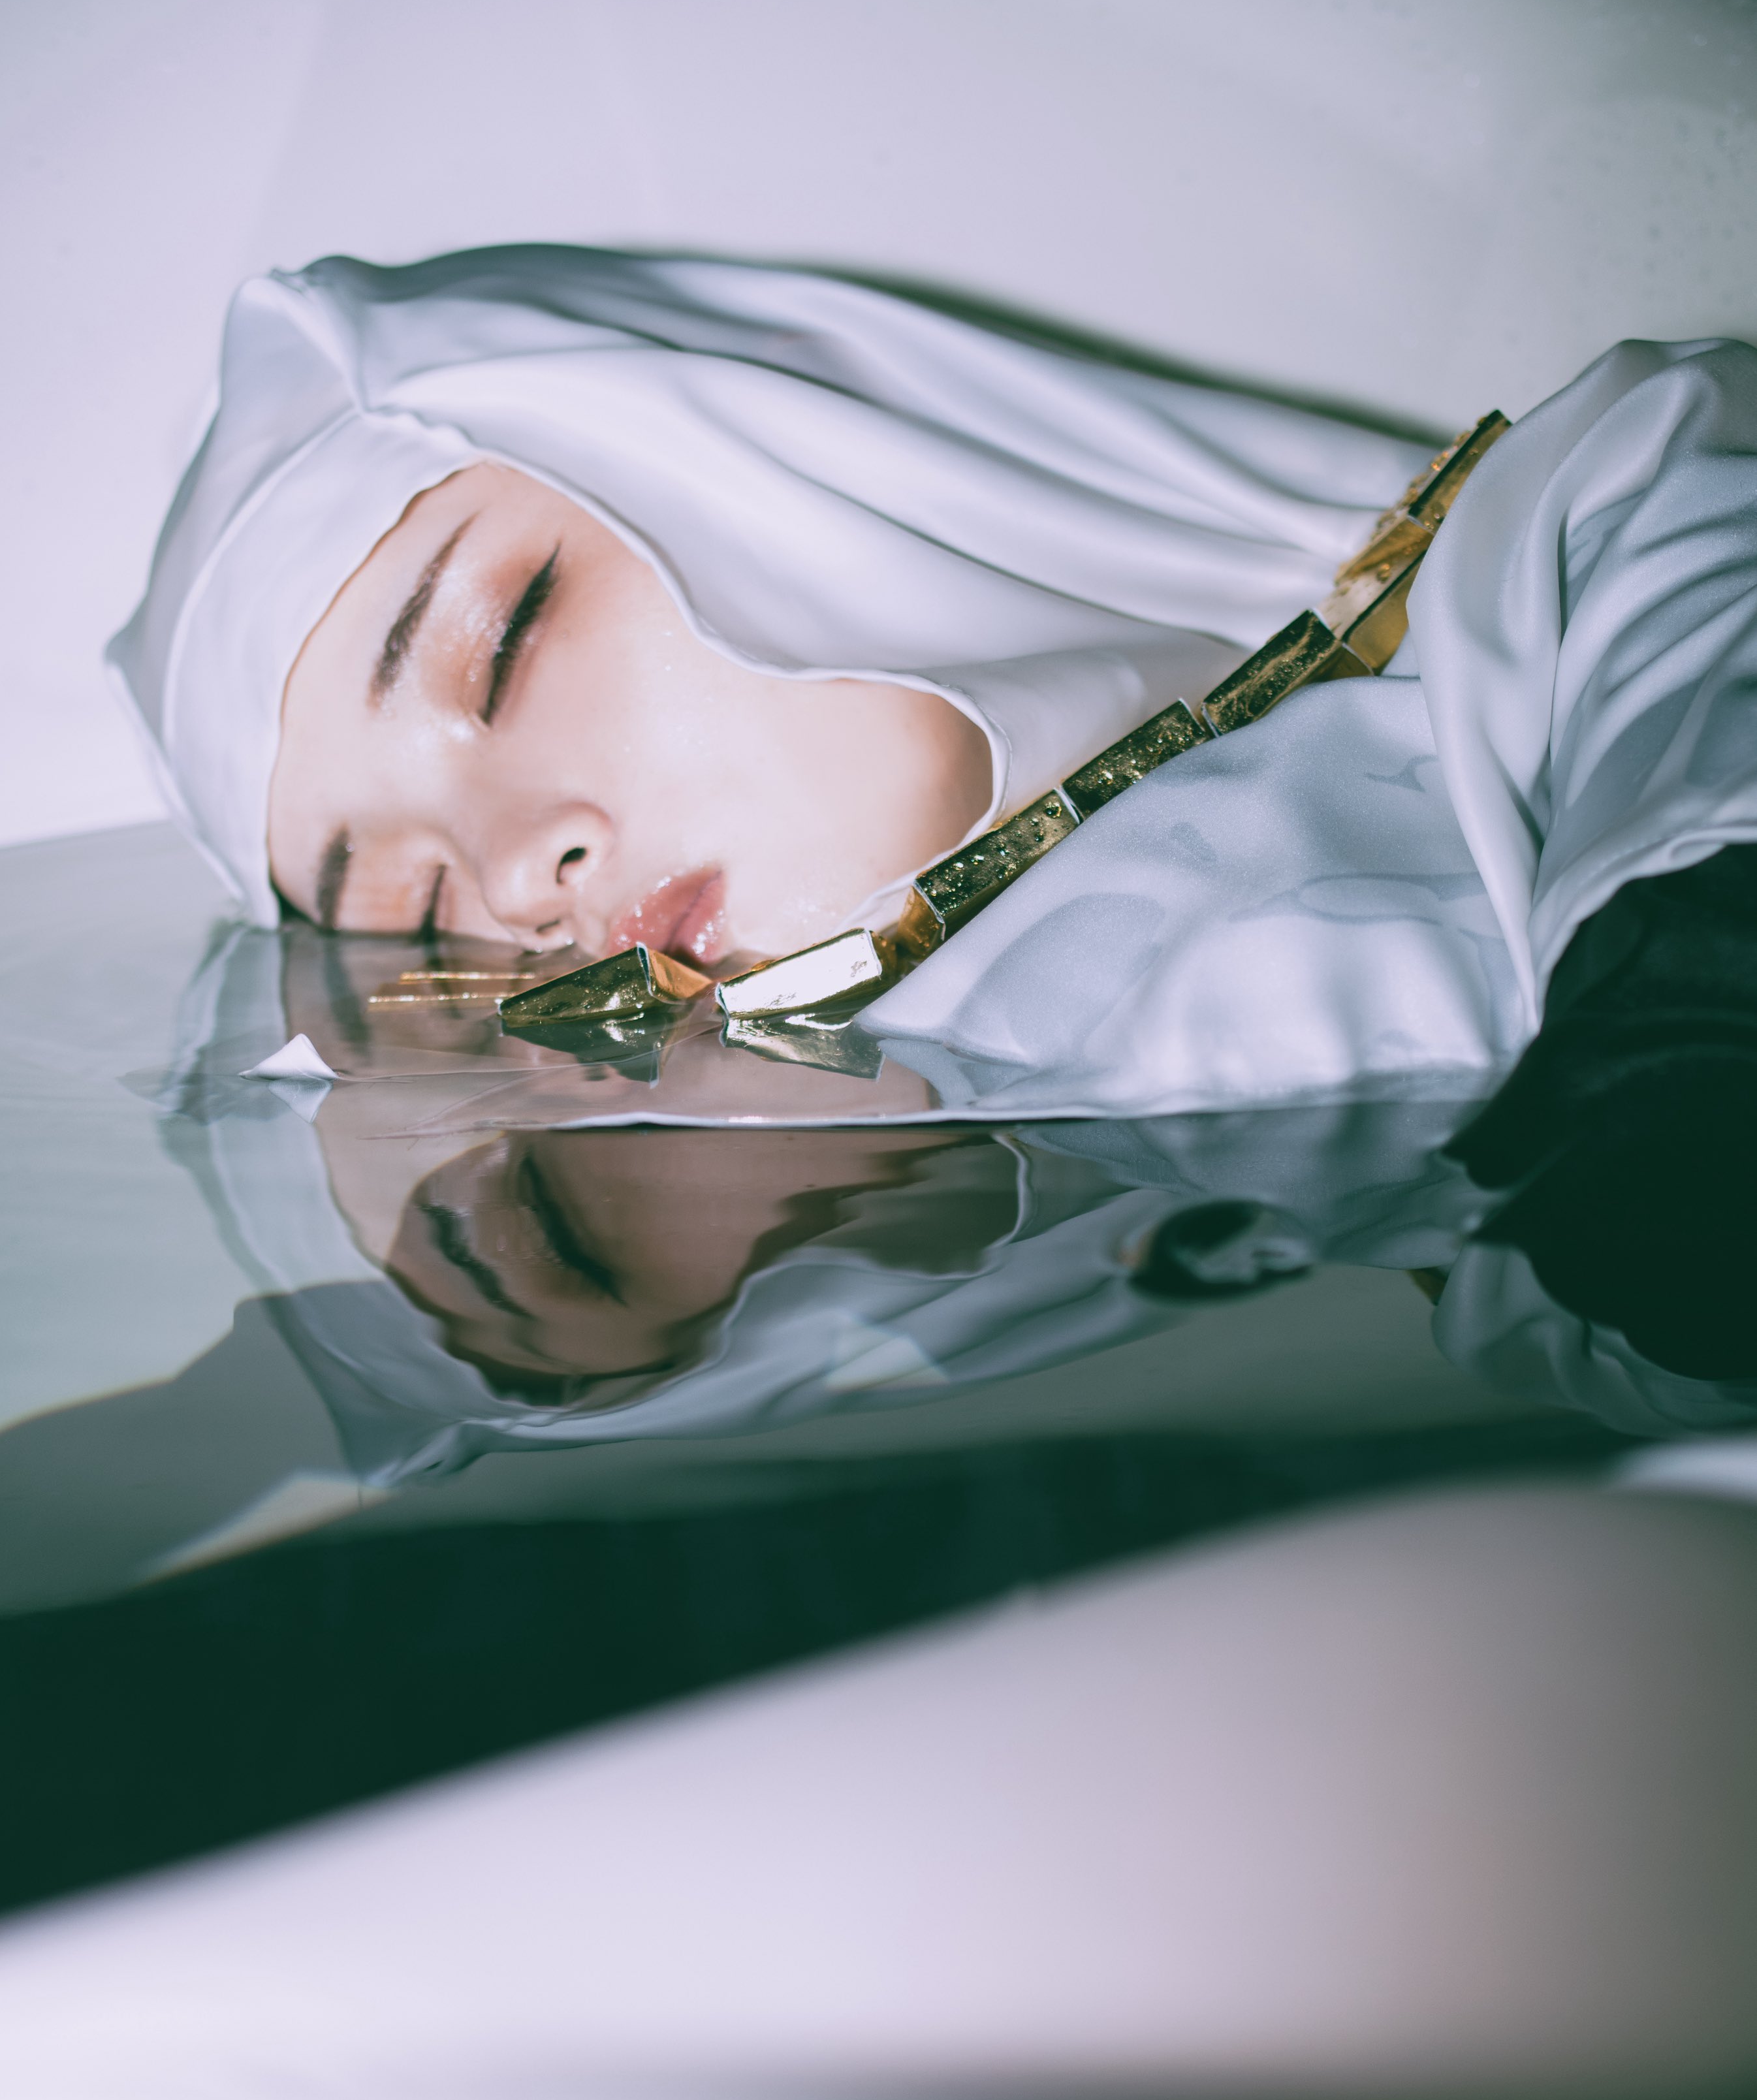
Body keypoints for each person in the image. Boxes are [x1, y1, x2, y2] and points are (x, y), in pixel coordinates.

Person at [112, 248, 1757, 1380]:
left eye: (505, 640)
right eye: (415, 910)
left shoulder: (1605, 519)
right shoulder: (905, 1193)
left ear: (767, 451)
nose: (524, 873)